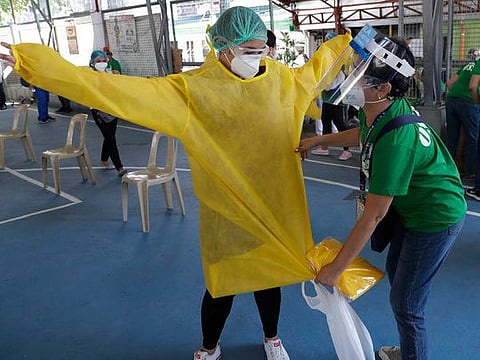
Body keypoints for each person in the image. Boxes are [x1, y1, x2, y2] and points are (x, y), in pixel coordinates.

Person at [0, 6, 352, 360]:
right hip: (227, 212)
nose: (257, 57)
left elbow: (319, 69)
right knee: (221, 285)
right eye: (249, 51)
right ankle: (210, 347)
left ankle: (272, 338)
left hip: (274, 206)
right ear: (223, 47)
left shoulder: (282, 80)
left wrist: (349, 43)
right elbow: (109, 88)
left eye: (261, 50)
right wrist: (34, 63)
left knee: (270, 275)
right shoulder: (192, 91)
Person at [297, 34, 466, 360]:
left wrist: (336, 268)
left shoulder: (397, 140)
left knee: (406, 303)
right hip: (413, 210)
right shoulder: (378, 110)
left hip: (435, 218)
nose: (353, 78)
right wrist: (318, 141)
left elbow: (373, 216)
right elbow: (363, 132)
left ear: (384, 88)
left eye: (362, 74)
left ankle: (413, 355)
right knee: (397, 272)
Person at [89, 50, 127, 177]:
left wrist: (117, 78)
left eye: (104, 61)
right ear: (92, 63)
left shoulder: (111, 74)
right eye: (98, 61)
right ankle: (119, 166)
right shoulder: (89, 76)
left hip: (112, 109)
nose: (101, 63)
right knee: (111, 138)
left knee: (109, 136)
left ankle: (104, 159)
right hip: (98, 111)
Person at [445, 47, 480, 179]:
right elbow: (473, 87)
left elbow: (449, 83)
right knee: (473, 139)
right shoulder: (478, 67)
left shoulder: (466, 66)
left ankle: (449, 170)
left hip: (451, 100)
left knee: (452, 138)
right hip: (469, 103)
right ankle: (469, 172)